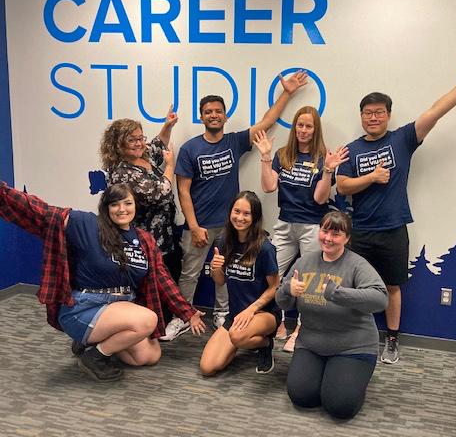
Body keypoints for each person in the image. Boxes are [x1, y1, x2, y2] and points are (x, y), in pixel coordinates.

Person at [336, 56, 456, 364]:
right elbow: (341, 186)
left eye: (379, 112)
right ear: (361, 116)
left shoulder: (402, 140)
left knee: (392, 286)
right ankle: (353, 336)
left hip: (393, 228)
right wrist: (371, 178)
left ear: (388, 115)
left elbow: (436, 111)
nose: (373, 118)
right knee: (353, 286)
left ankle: (391, 341)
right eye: (368, 113)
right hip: (361, 230)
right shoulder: (351, 149)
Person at [0, 181, 205, 382]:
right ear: (105, 207)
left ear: (136, 205)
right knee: (148, 319)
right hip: (84, 307)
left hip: (119, 308)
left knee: (148, 357)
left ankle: (92, 343)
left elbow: (163, 279)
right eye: (114, 204)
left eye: (127, 203)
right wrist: (3, 192)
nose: (121, 209)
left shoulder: (144, 239)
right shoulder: (87, 224)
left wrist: (188, 312)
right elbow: (41, 212)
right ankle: (95, 356)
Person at [162, 71, 308, 341]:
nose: (213, 115)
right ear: (202, 116)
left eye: (218, 111)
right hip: (199, 226)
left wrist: (287, 93)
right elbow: (182, 190)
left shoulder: (235, 142)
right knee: (190, 274)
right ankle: (181, 316)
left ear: (225, 116)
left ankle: (222, 315)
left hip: (231, 226)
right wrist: (193, 226)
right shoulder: (190, 149)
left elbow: (267, 121)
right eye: (208, 112)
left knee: (226, 272)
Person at [253, 106, 348, 351]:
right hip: (285, 224)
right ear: (294, 127)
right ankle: (280, 323)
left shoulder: (322, 158)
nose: (303, 130)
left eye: (308, 126)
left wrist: (328, 170)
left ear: (315, 130)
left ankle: (301, 330)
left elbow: (319, 199)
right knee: (274, 274)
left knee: (311, 281)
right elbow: (268, 187)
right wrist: (265, 156)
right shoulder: (283, 154)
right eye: (299, 125)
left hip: (312, 226)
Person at [276, 211, 388, 419]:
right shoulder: (304, 262)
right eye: (324, 231)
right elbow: (281, 301)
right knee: (302, 396)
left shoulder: (357, 264)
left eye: (336, 234)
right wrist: (287, 291)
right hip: (311, 345)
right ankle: (329, 375)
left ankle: (349, 379)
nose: (328, 238)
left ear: (347, 238)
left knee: (339, 406)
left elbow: (380, 299)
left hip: (352, 347)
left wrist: (338, 293)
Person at [100, 108, 181, 323]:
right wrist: (170, 166)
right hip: (145, 239)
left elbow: (158, 145)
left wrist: (167, 126)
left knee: (168, 274)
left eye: (140, 138)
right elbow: (160, 194)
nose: (139, 143)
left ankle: (160, 320)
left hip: (165, 234)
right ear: (118, 144)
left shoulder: (142, 155)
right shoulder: (122, 171)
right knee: (151, 282)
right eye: (132, 140)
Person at [199, 191, 280, 375]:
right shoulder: (223, 240)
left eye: (246, 213)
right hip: (236, 315)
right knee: (207, 368)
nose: (240, 218)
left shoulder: (264, 247)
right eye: (237, 211)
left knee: (237, 335)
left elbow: (275, 287)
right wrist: (215, 268)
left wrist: (251, 310)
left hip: (263, 313)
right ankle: (242, 340)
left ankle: (265, 343)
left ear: (255, 217)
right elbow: (220, 281)